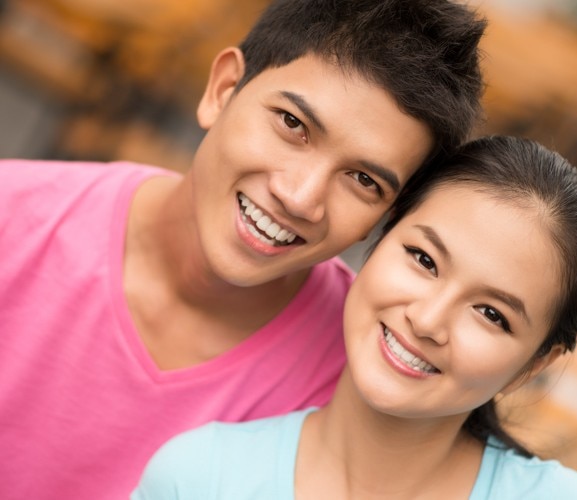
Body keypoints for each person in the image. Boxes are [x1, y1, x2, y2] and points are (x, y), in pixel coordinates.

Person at [0, 1, 486, 498]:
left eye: (363, 180)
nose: (300, 197)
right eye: (292, 124)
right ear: (223, 90)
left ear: (382, 219)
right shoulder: (12, 221)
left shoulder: (364, 377)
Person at [132, 136, 577, 499]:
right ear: (379, 240)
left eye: (491, 314)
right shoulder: (197, 478)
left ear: (532, 365)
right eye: (424, 260)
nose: (427, 320)